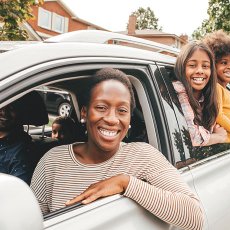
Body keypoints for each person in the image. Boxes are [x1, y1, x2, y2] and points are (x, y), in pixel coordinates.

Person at [30, 68, 204, 229]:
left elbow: (195, 218)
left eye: (122, 110)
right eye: (101, 107)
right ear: (84, 112)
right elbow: (31, 221)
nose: (112, 119)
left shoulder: (142, 155)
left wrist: (124, 182)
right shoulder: (52, 161)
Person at [172, 41, 227, 147]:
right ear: (181, 68)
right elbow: (194, 138)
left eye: (205, 66)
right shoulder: (179, 90)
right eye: (192, 65)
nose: (200, 71)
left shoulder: (205, 97)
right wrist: (219, 137)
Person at [0, 102, 33, 185]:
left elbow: (17, 189)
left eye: (11, 108)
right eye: (1, 106)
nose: (4, 113)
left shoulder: (22, 150)